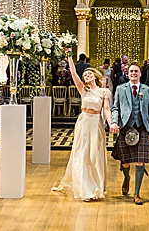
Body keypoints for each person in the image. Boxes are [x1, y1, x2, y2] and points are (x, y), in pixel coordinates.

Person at [52, 57, 112, 201]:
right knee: (83, 153)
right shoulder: (83, 89)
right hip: (84, 122)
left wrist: (111, 124)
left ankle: (97, 185)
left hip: (96, 123)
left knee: (95, 154)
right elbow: (73, 73)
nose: (87, 76)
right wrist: (70, 58)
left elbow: (107, 110)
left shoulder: (104, 91)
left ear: (95, 76)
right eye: (85, 75)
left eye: (89, 74)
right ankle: (86, 190)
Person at [110, 62, 149, 205]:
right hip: (125, 127)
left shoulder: (147, 90)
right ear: (127, 74)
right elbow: (115, 107)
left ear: (140, 74)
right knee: (126, 162)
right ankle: (127, 178)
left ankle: (137, 194)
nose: (134, 73)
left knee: (140, 161)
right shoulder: (120, 89)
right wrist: (114, 122)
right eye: (131, 71)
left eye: (136, 71)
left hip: (141, 128)